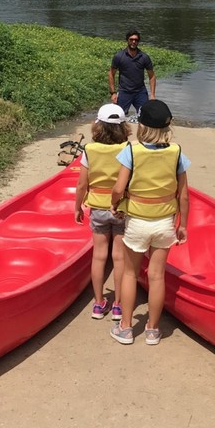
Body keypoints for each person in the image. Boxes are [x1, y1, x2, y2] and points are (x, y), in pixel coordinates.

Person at [109, 100, 189, 346]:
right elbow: (183, 194)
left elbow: (119, 187)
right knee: (156, 277)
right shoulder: (176, 153)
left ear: (141, 125)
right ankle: (153, 330)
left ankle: (125, 328)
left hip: (137, 222)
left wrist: (115, 204)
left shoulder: (131, 151)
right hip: (164, 222)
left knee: (131, 274)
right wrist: (182, 224)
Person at [74, 103, 132, 321]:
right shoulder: (128, 149)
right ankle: (117, 305)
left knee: (99, 256)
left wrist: (77, 206)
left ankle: (98, 304)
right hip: (121, 208)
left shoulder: (90, 149)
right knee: (119, 258)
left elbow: (81, 184)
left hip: (97, 207)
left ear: (98, 126)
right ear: (123, 127)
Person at [109, 29, 156, 116]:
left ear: (138, 41)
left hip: (140, 92)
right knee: (118, 117)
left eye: (136, 40)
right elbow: (111, 73)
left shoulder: (144, 57)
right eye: (131, 39)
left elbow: (152, 76)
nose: (133, 42)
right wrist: (113, 93)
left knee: (146, 116)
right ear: (127, 40)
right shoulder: (119, 56)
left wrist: (152, 95)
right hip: (124, 91)